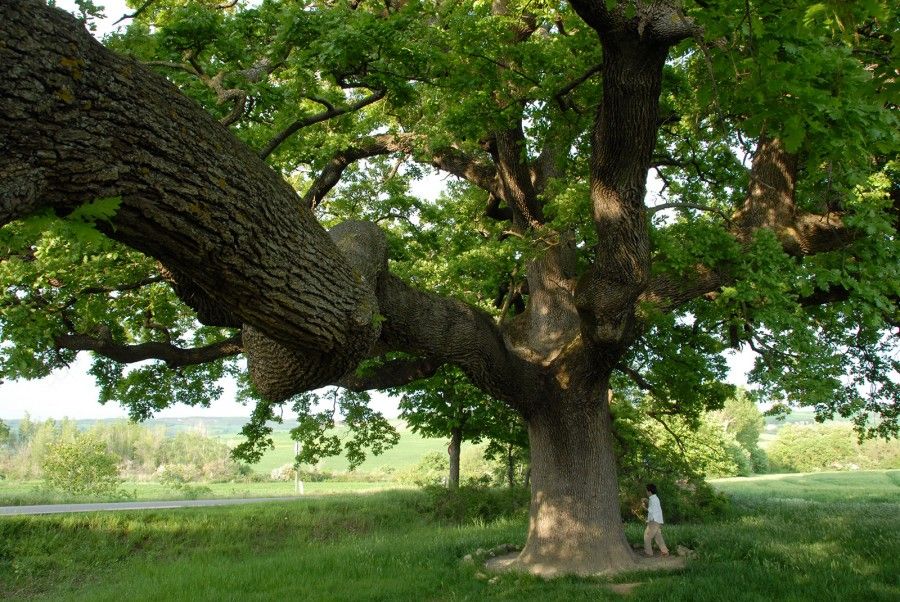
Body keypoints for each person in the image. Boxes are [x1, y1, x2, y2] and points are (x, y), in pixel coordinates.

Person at [643, 483, 669, 557]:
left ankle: (648, 553)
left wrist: (644, 507)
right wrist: (646, 500)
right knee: (658, 537)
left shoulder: (653, 500)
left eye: (646, 491)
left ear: (649, 492)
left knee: (647, 536)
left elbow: (651, 511)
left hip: (654, 522)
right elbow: (653, 506)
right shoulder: (655, 498)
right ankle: (665, 552)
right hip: (658, 521)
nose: (646, 492)